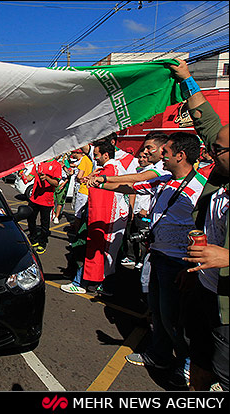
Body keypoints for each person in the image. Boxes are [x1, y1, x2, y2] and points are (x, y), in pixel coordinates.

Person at [97, 131, 206, 388]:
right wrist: (100, 182)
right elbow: (129, 185)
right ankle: (159, 355)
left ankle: (190, 365)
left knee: (175, 319)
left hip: (179, 263)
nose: (161, 157)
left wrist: (193, 265)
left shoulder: (200, 187)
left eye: (165, 153)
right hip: (157, 255)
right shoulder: (165, 179)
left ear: (180, 155)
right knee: (158, 313)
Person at [171, 59, 229, 391]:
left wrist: (227, 257)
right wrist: (188, 79)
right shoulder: (221, 176)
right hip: (203, 290)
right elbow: (206, 122)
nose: (208, 151)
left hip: (227, 307)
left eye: (216, 150)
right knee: (201, 360)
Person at [61, 141, 128, 295]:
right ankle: (96, 283)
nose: (95, 159)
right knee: (102, 253)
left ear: (106, 154)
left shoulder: (111, 169)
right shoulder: (113, 167)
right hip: (110, 218)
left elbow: (103, 187)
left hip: (103, 217)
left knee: (88, 249)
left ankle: (80, 282)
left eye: (97, 156)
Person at [24, 158, 62, 255]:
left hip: (46, 201)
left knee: (44, 223)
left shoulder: (56, 165)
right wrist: (23, 176)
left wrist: (47, 178)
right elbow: (30, 177)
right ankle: (33, 239)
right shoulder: (39, 162)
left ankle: (43, 242)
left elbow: (56, 183)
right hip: (34, 198)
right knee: (30, 218)